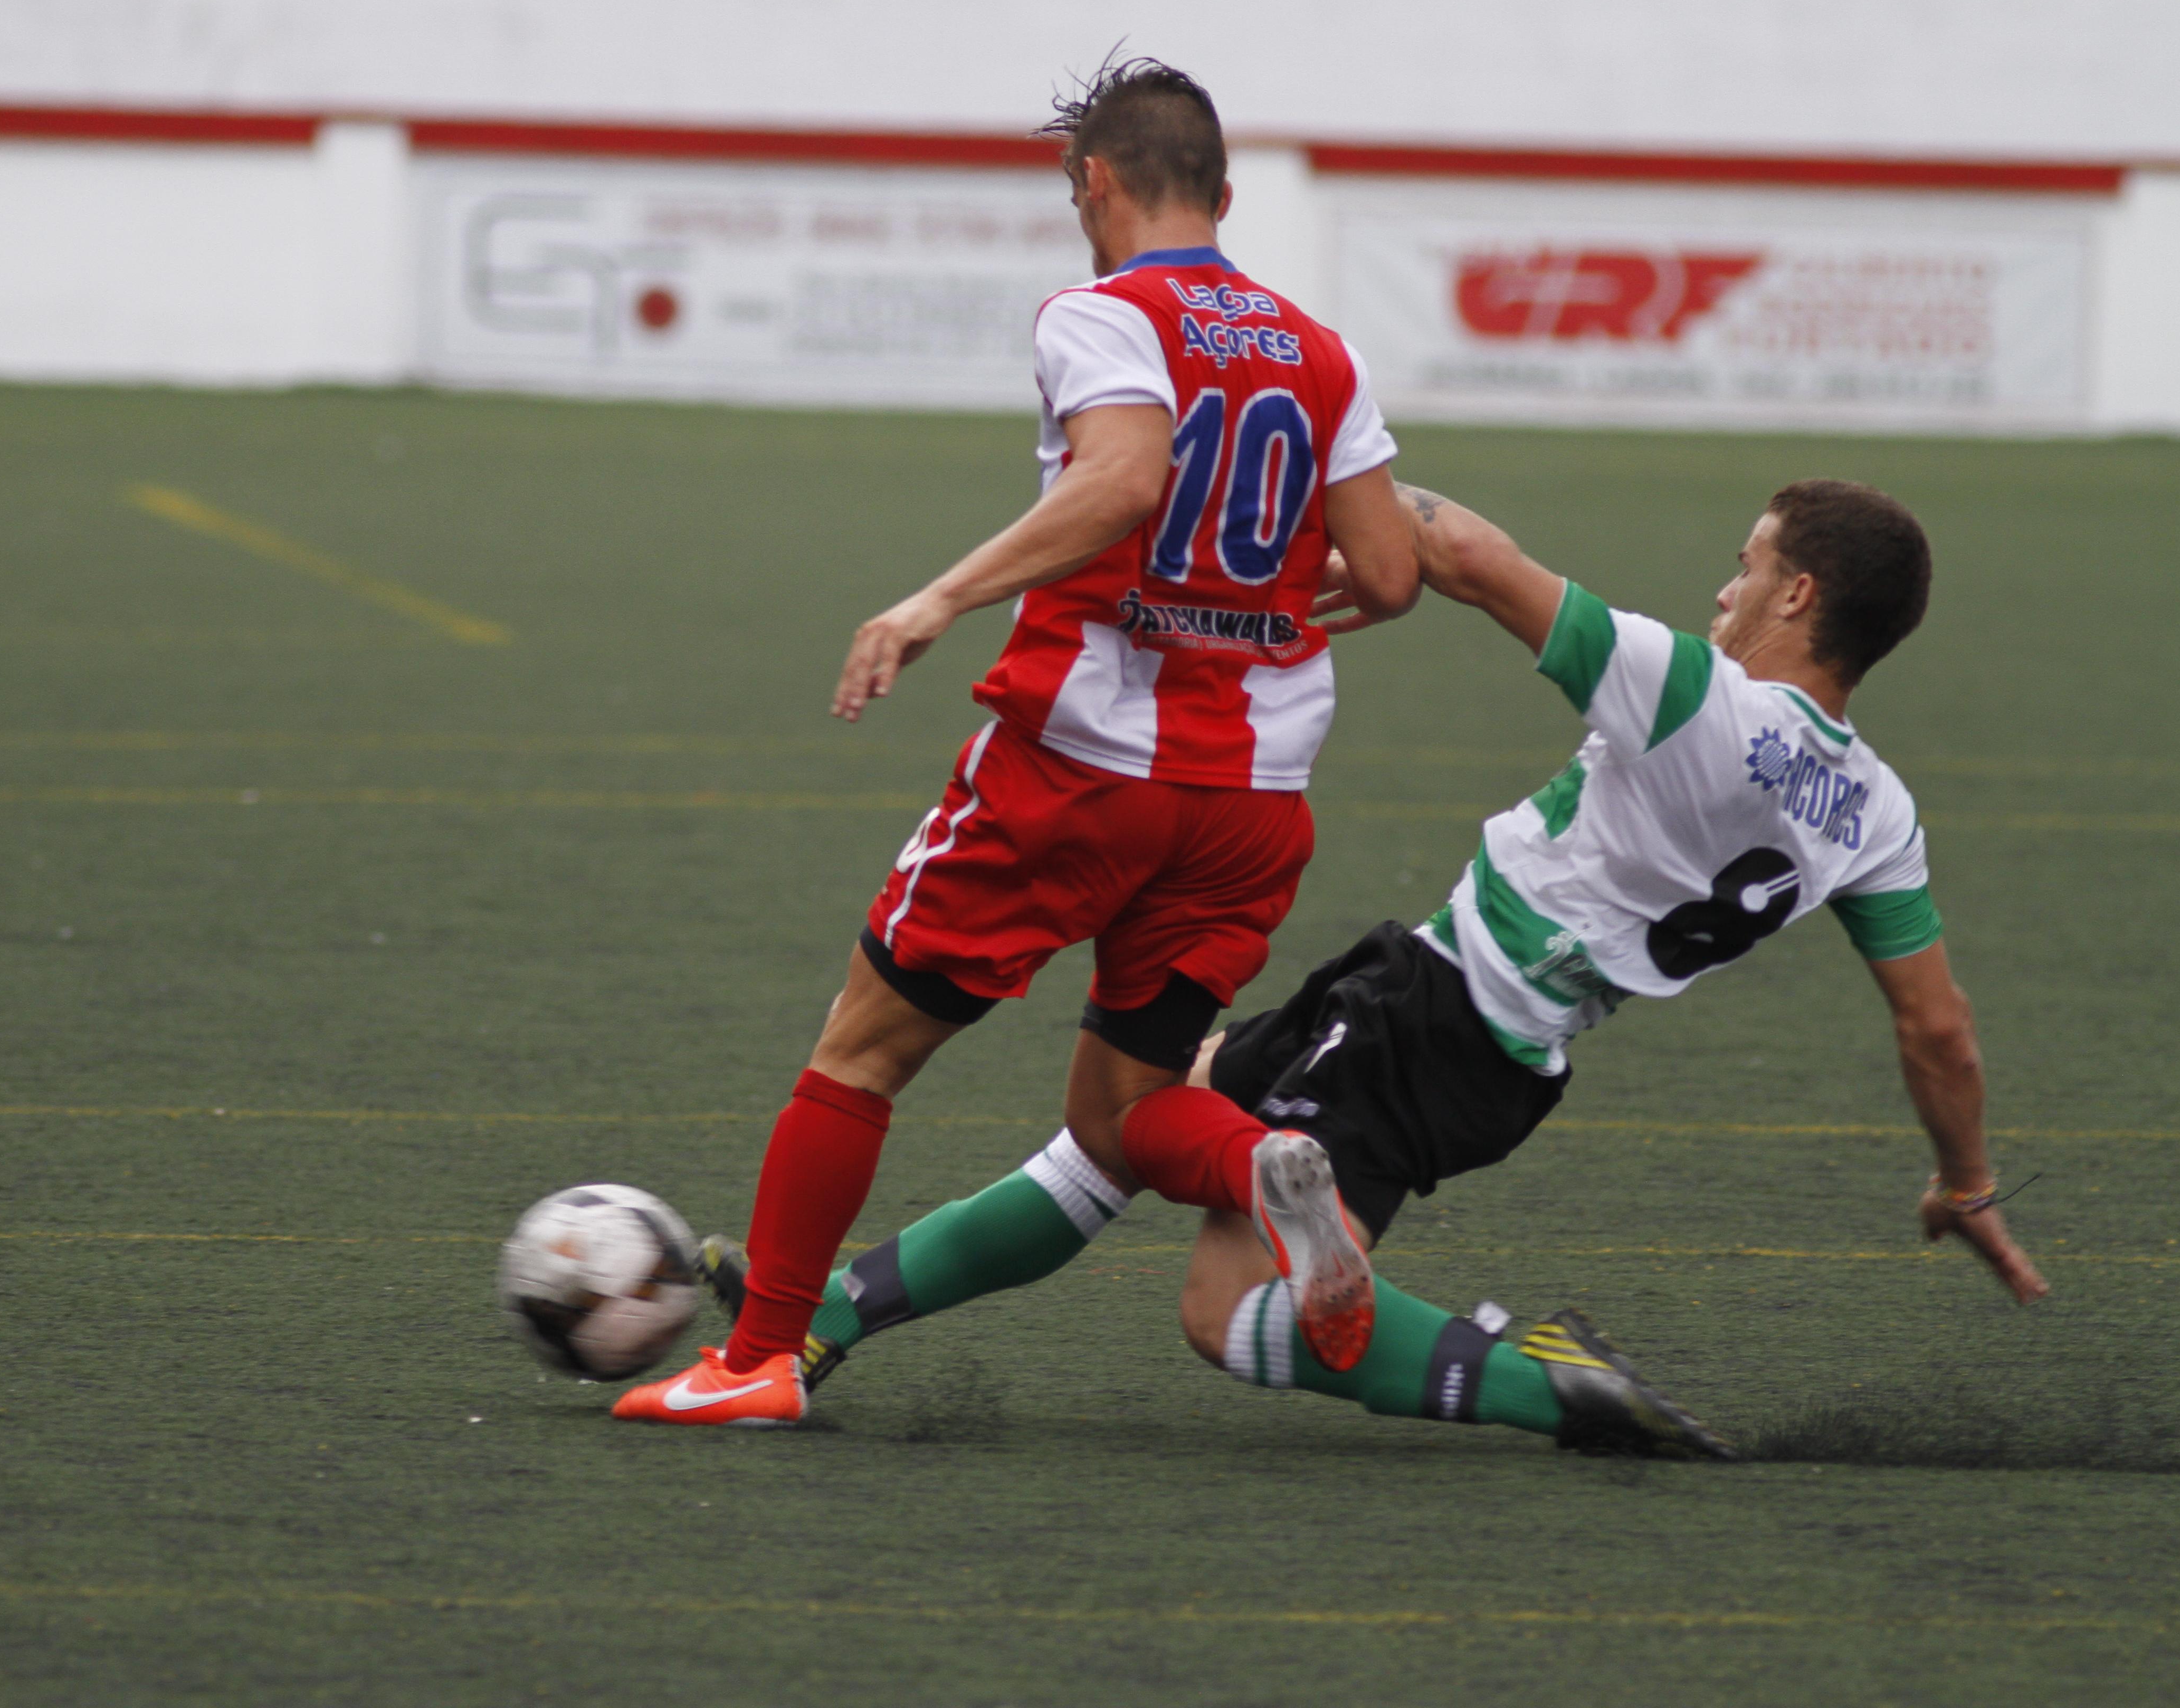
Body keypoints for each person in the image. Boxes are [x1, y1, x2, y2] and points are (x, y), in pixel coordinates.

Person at [702, 477, 2049, 1457]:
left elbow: (1468, 549)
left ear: (1799, 595)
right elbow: (1940, 1032)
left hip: (1433, 1024)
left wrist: (1325, 490)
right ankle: (827, 1313)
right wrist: (1966, 1180)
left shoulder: (1696, 691)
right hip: (1474, 1032)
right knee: (1131, 1123)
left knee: (1222, 1312)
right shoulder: (1876, 812)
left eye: (1746, 565)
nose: (1725, 588)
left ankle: (1540, 1383)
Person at [612, 58, 1421, 1427]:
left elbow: (1124, 477)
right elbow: (1395, 573)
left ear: (1092, 183)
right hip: (1251, 802)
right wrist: (1255, 606)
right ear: (1223, 195)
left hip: (1081, 769)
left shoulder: (1101, 315)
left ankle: (753, 1363)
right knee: (1125, 1114)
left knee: (860, 1051)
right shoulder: (1318, 347)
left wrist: (939, 598)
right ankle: (1266, 1170)